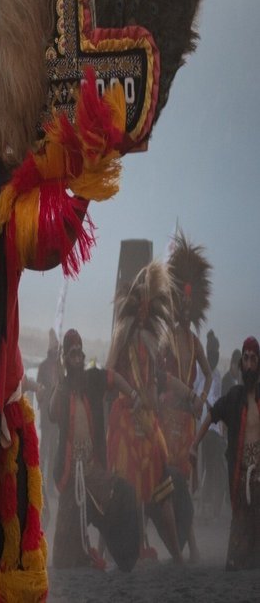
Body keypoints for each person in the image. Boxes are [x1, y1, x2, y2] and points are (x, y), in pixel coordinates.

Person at [107, 259, 198, 564]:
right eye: (142, 306)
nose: (145, 312)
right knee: (124, 491)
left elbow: (162, 379)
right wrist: (131, 393)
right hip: (125, 422)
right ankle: (113, 552)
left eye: (149, 306)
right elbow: (109, 373)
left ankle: (177, 554)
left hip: (149, 424)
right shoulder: (122, 338)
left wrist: (191, 395)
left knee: (163, 491)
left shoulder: (152, 347)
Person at [48, 329, 137, 569]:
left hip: (93, 470)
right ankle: (82, 553)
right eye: (72, 354)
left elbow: (114, 377)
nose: (77, 358)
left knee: (123, 495)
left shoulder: (92, 379)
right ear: (67, 358)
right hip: (70, 475)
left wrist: (133, 394)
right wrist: (58, 382)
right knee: (62, 559)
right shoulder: (63, 388)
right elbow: (53, 413)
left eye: (79, 353)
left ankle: (125, 558)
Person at [159, 230, 212, 562]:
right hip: (167, 419)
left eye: (190, 304)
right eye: (183, 301)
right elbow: (160, 375)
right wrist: (187, 392)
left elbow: (209, 373)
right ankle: (181, 545)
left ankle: (190, 545)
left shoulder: (194, 342)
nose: (186, 307)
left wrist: (202, 397)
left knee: (185, 481)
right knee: (170, 482)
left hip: (187, 423)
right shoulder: (166, 337)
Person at [190, 335, 260, 570]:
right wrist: (194, 444)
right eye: (246, 359)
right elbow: (212, 415)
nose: (248, 364)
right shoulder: (234, 397)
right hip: (240, 478)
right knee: (235, 556)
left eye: (253, 359)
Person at [198, 330, 227, 521]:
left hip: (215, 430)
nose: (214, 354)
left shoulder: (217, 374)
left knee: (213, 468)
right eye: (212, 350)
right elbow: (195, 394)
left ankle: (210, 507)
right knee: (203, 467)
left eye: (216, 350)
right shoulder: (200, 371)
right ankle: (203, 506)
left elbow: (219, 401)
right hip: (202, 428)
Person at [37, 329, 63, 516]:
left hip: (57, 417)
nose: (57, 352)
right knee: (44, 451)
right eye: (55, 350)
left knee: (53, 451)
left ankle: (50, 486)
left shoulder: (60, 367)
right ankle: (39, 484)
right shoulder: (43, 367)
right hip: (47, 416)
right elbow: (40, 389)